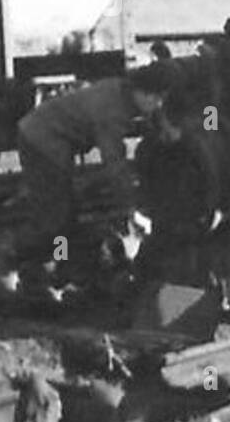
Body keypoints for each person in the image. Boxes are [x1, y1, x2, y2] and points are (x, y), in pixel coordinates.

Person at [12, 63, 173, 279]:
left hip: (47, 135)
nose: (158, 104)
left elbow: (152, 117)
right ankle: (41, 261)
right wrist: (130, 208)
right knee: (56, 213)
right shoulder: (112, 110)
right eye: (154, 98)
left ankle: (55, 259)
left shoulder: (122, 91)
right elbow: (114, 162)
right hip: (42, 141)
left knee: (63, 209)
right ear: (139, 92)